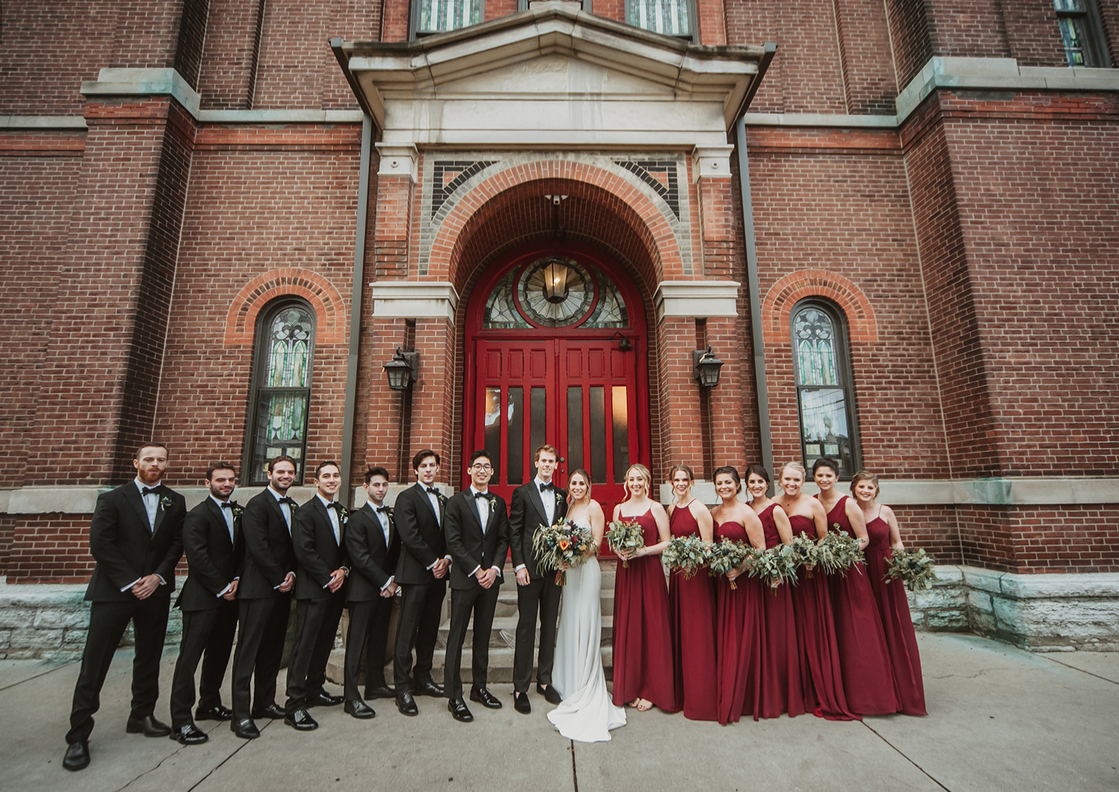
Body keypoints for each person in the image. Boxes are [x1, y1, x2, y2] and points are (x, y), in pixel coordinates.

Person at [63, 443, 186, 771]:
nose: (155, 464)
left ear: (166, 465)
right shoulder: (112, 499)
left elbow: (176, 543)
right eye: (149, 459)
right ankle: (78, 735)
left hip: (155, 592)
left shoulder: (176, 501)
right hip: (114, 592)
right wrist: (133, 581)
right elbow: (100, 544)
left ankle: (142, 715)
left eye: (161, 460)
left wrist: (158, 577)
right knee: (95, 661)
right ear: (136, 463)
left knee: (149, 656)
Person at [813, 458, 899, 715]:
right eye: (820, 475)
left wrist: (842, 554)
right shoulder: (814, 501)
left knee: (859, 630)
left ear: (837, 478)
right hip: (825, 573)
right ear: (814, 478)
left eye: (829, 475)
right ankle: (837, 688)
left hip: (850, 571)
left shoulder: (848, 503)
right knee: (834, 630)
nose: (824, 479)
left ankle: (870, 694)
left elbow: (863, 539)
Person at [547, 470, 626, 741]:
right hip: (570, 573)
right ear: (569, 486)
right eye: (573, 483)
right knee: (570, 620)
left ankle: (586, 683)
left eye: (582, 483)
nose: (577, 487)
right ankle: (569, 681)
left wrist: (575, 556)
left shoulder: (593, 507)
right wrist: (562, 557)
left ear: (588, 486)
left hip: (586, 571)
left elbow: (596, 543)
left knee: (585, 619)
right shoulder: (568, 506)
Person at [168, 462, 244, 745]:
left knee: (219, 654)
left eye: (230, 480)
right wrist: (222, 586)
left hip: (230, 598)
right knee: (189, 660)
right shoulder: (197, 515)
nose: (226, 484)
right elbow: (197, 557)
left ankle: (209, 703)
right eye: (220, 480)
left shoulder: (238, 513)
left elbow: (240, 552)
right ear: (207, 482)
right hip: (202, 598)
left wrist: (236, 579)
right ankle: (181, 721)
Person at [776, 461, 857, 721]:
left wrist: (814, 557)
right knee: (788, 634)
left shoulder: (813, 505)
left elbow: (823, 539)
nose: (791, 484)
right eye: (787, 479)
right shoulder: (774, 502)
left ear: (803, 481)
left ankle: (819, 691)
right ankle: (792, 693)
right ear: (780, 480)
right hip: (784, 578)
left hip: (810, 576)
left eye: (796, 480)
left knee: (812, 630)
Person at [229, 455, 298, 740]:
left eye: (290, 472)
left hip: (283, 588)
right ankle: (240, 714)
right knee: (248, 651)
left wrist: (292, 573)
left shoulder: (292, 506)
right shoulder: (256, 505)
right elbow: (258, 547)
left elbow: (293, 546)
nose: (285, 476)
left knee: (272, 649)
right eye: (280, 471)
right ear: (268, 473)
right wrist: (278, 578)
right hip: (258, 589)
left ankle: (265, 702)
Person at [443, 449, 511, 722]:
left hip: (490, 580)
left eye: (487, 467)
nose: (482, 470)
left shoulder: (498, 502)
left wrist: (494, 569)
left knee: (483, 635)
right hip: (465, 578)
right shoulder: (456, 502)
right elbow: (453, 541)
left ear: (492, 472)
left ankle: (479, 688)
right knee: (457, 636)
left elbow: (503, 539)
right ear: (469, 471)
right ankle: (454, 695)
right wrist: (476, 569)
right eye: (478, 466)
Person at [852, 471, 927, 716]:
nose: (865, 491)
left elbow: (896, 542)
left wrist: (903, 566)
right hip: (860, 573)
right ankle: (877, 688)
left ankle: (904, 691)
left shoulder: (885, 511)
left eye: (870, 488)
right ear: (854, 489)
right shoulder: (850, 511)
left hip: (885, 572)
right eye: (861, 487)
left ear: (876, 490)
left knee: (892, 625)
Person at [284, 461, 349, 730]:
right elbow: (304, 551)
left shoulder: (343, 511)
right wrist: (328, 577)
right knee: (305, 645)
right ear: (316, 481)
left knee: (324, 642)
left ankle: (315, 688)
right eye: (326, 476)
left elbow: (347, 546)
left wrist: (344, 569)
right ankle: (294, 704)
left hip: (336, 587)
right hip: (314, 588)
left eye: (335, 475)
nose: (332, 480)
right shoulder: (305, 512)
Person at [610, 463, 676, 713]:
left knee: (652, 627)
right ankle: (631, 686)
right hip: (627, 573)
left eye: (639, 479)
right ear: (626, 482)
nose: (635, 483)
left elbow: (667, 542)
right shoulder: (618, 509)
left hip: (649, 572)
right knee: (631, 626)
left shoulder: (655, 507)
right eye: (631, 479)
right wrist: (620, 551)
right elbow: (613, 542)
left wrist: (642, 551)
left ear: (646, 481)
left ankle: (652, 689)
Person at [509, 444, 567, 714]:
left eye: (551, 461)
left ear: (556, 465)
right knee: (526, 626)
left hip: (554, 570)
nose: (547, 465)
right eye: (543, 460)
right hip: (529, 571)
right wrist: (518, 564)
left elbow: (564, 530)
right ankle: (520, 687)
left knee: (549, 624)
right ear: (536, 463)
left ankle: (544, 680)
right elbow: (515, 531)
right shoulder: (522, 493)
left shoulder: (561, 495)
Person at [392, 449, 449, 716]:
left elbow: (450, 535)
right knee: (407, 630)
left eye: (432, 465)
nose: (428, 469)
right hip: (416, 574)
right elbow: (409, 536)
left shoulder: (443, 499)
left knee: (429, 628)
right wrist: (433, 562)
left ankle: (423, 677)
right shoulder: (406, 498)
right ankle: (403, 687)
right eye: (423, 466)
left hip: (438, 576)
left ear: (438, 468)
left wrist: (446, 560)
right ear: (415, 470)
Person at [745, 465, 805, 719]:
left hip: (774, 577)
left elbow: (788, 546)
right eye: (751, 481)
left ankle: (780, 694)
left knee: (776, 633)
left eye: (760, 481)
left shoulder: (776, 510)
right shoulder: (746, 508)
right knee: (758, 633)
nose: (756, 485)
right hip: (751, 577)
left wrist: (777, 570)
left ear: (768, 484)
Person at [342, 466, 401, 719]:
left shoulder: (391, 516)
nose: (381, 489)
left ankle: (375, 685)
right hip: (363, 590)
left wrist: (394, 582)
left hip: (386, 590)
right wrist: (384, 582)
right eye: (376, 485)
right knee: (356, 645)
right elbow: (360, 557)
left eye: (384, 485)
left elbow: (397, 551)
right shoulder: (356, 519)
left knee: (379, 638)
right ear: (366, 487)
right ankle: (351, 696)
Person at [710, 465, 765, 724]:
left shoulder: (747, 513)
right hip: (722, 582)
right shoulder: (713, 512)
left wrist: (739, 570)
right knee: (724, 634)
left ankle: (742, 694)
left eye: (728, 483)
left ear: (738, 485)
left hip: (742, 583)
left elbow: (759, 549)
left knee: (741, 635)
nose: (724, 487)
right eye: (719, 483)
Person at [666, 464, 717, 721]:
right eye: (676, 479)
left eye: (685, 479)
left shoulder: (699, 509)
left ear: (692, 482)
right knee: (681, 631)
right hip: (678, 578)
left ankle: (702, 696)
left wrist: (692, 558)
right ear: (671, 483)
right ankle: (683, 692)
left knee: (697, 634)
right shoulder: (671, 509)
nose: (681, 483)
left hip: (696, 577)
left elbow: (709, 546)